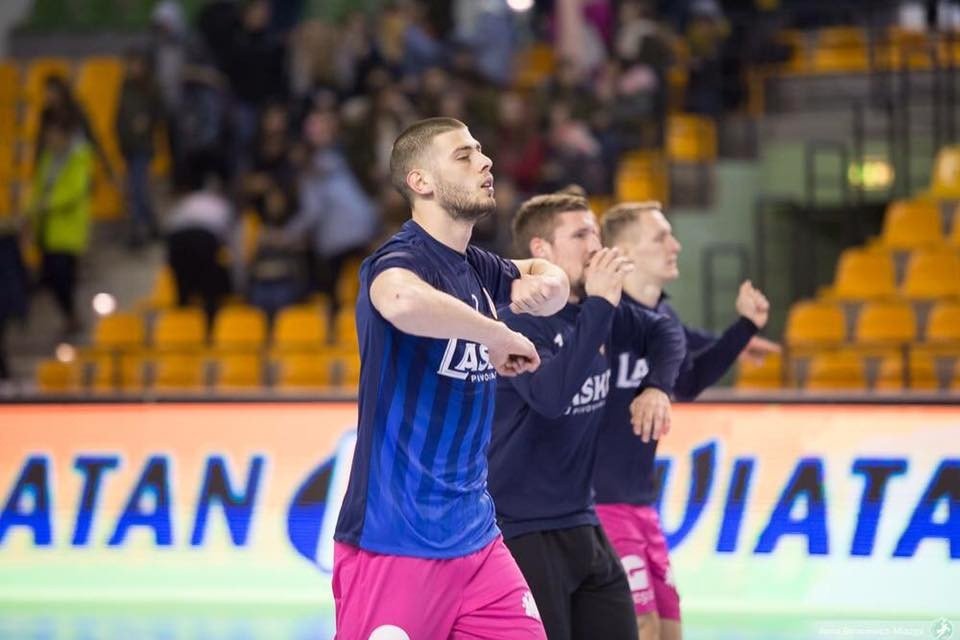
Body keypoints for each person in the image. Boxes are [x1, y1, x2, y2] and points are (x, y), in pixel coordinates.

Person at [333, 117, 570, 639]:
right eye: (464, 156)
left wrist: (547, 286)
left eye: (481, 151)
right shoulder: (398, 259)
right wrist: (498, 334)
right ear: (420, 181)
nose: (485, 162)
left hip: (477, 541)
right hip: (395, 540)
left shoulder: (476, 268)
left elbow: (549, 278)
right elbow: (400, 299)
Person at [488, 192, 685, 640]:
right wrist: (600, 306)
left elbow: (666, 333)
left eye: (596, 232)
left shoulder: (597, 313)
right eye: (580, 235)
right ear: (541, 250)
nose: (595, 245)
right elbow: (551, 397)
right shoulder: (516, 321)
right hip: (524, 530)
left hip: (582, 519)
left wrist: (657, 386)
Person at [594, 201, 779, 640]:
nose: (675, 245)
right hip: (601, 502)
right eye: (661, 237)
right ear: (625, 251)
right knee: (642, 626)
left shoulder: (664, 318)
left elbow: (689, 380)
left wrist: (743, 329)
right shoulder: (602, 317)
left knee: (670, 628)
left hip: (642, 503)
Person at [26, 116, 94, 336]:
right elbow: (37, 187)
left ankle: (72, 316)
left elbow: (76, 190)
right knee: (51, 276)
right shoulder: (47, 158)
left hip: (68, 229)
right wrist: (31, 212)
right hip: (47, 229)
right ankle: (69, 315)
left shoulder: (79, 157)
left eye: (53, 134)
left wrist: (48, 204)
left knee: (62, 275)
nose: (49, 139)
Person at [116, 47, 163, 247]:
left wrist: (147, 121)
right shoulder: (125, 87)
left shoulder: (151, 88)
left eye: (135, 63)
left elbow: (160, 113)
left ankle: (138, 231)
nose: (131, 68)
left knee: (138, 189)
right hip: (128, 146)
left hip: (142, 146)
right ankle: (152, 225)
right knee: (137, 189)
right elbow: (120, 115)